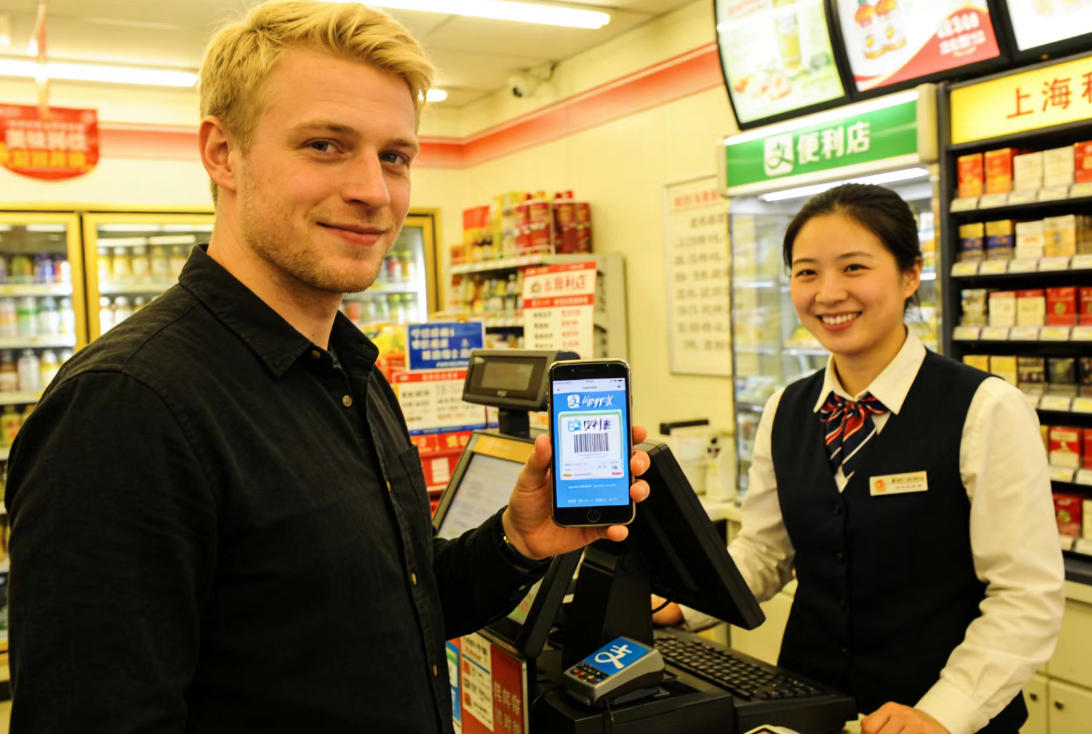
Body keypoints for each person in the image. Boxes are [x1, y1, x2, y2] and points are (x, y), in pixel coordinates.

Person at [3, 2, 650, 732]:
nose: (374, 190)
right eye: (324, 145)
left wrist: (515, 541)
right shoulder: (127, 408)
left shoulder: (353, 371)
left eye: (395, 156)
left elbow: (393, 607)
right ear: (222, 154)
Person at [654, 184, 1064, 734]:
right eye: (806, 272)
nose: (828, 293)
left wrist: (944, 712)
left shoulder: (986, 408)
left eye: (853, 268)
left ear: (911, 273)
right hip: (806, 706)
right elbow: (766, 551)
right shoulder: (787, 408)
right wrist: (682, 603)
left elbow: (1025, 596)